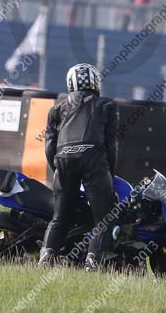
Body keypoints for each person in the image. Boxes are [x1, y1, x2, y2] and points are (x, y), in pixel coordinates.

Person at [39, 64, 119, 271]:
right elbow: (112, 145)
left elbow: (49, 147)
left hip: (63, 161)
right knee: (104, 219)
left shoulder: (56, 108)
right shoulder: (107, 105)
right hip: (94, 161)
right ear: (95, 83)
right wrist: (111, 173)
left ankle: (46, 255)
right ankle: (92, 261)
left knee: (59, 218)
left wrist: (57, 169)